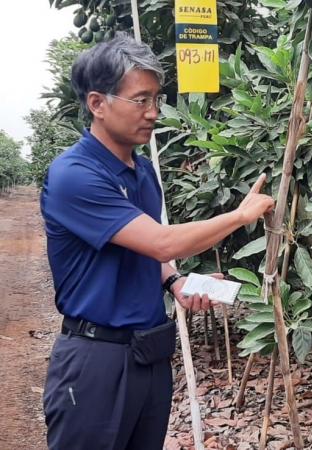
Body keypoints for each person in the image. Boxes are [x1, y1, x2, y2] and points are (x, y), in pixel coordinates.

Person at [40, 35, 275, 449]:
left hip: (148, 353)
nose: (153, 112)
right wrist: (239, 216)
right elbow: (162, 243)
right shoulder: (74, 175)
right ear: (97, 103)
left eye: (156, 99)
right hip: (96, 358)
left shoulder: (143, 170)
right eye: (140, 100)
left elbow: (145, 250)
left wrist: (174, 282)